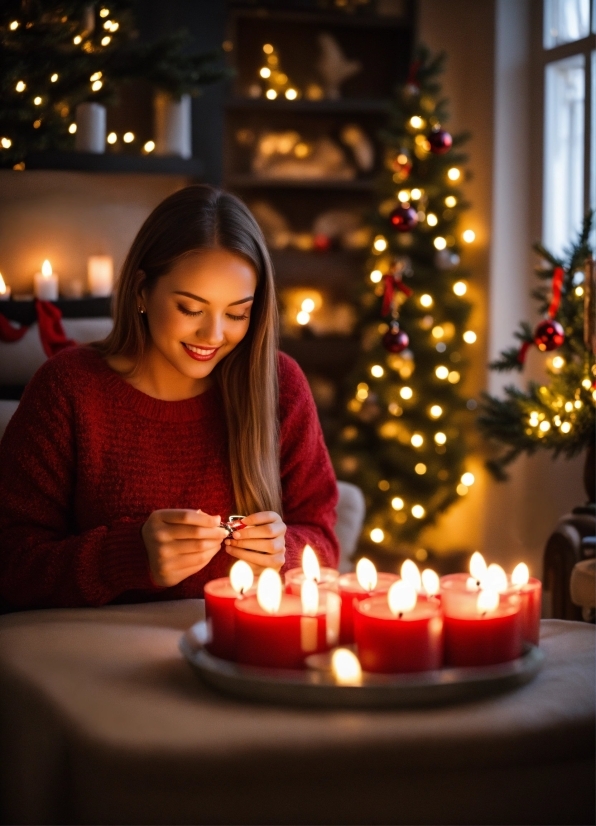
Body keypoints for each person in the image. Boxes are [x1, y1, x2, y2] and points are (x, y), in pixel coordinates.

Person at [0, 186, 339, 609]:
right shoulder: (67, 389)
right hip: (101, 649)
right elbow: (11, 565)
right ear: (142, 291)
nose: (213, 335)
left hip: (239, 642)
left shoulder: (279, 384)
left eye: (237, 313)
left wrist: (284, 553)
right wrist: (126, 556)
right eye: (191, 309)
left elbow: (323, 539)